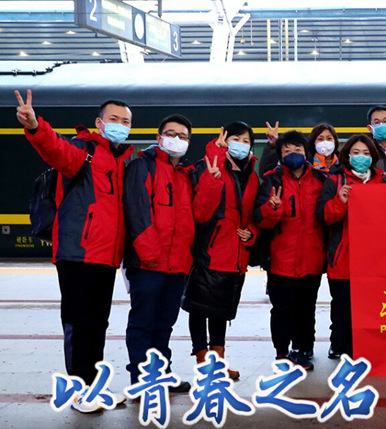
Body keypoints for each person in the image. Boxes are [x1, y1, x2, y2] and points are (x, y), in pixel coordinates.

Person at [16, 90, 132, 412]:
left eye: (126, 121)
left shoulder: (122, 160)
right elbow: (56, 150)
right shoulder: (84, 150)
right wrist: (35, 125)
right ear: (99, 122)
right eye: (114, 119)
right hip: (78, 252)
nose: (120, 125)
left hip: (106, 256)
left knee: (97, 324)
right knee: (79, 324)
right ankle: (79, 391)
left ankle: (94, 386)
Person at [122, 114, 221, 391]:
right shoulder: (142, 166)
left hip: (177, 265)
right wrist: (149, 254)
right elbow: (137, 212)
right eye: (171, 134)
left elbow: (200, 214)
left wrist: (212, 182)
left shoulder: (185, 174)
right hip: (147, 264)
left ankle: (161, 374)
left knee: (164, 323)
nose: (177, 140)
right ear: (159, 137)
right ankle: (141, 380)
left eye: (183, 136)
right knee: (143, 323)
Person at [182, 122, 260, 380]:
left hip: (236, 255)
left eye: (246, 140)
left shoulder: (251, 176)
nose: (241, 144)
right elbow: (200, 211)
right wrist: (216, 155)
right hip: (209, 251)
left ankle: (218, 361)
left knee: (220, 312)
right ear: (225, 140)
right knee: (199, 309)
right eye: (236, 138)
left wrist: (251, 232)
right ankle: (202, 360)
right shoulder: (207, 166)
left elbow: (253, 214)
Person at [252, 125, 324, 371]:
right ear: (280, 155)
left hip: (312, 257)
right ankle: (282, 351)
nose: (293, 153)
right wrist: (272, 208)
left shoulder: (320, 180)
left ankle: (303, 349)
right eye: (287, 150)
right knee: (282, 309)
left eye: (297, 149)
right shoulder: (272, 180)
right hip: (280, 259)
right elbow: (260, 219)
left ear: (306, 151)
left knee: (307, 308)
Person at [316, 134, 386, 359]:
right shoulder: (335, 181)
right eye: (356, 153)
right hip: (343, 257)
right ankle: (339, 344)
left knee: (373, 306)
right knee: (342, 307)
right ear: (347, 156)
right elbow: (323, 216)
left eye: (366, 153)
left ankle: (370, 346)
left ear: (373, 157)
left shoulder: (383, 180)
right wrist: (340, 202)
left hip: (376, 260)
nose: (361, 157)